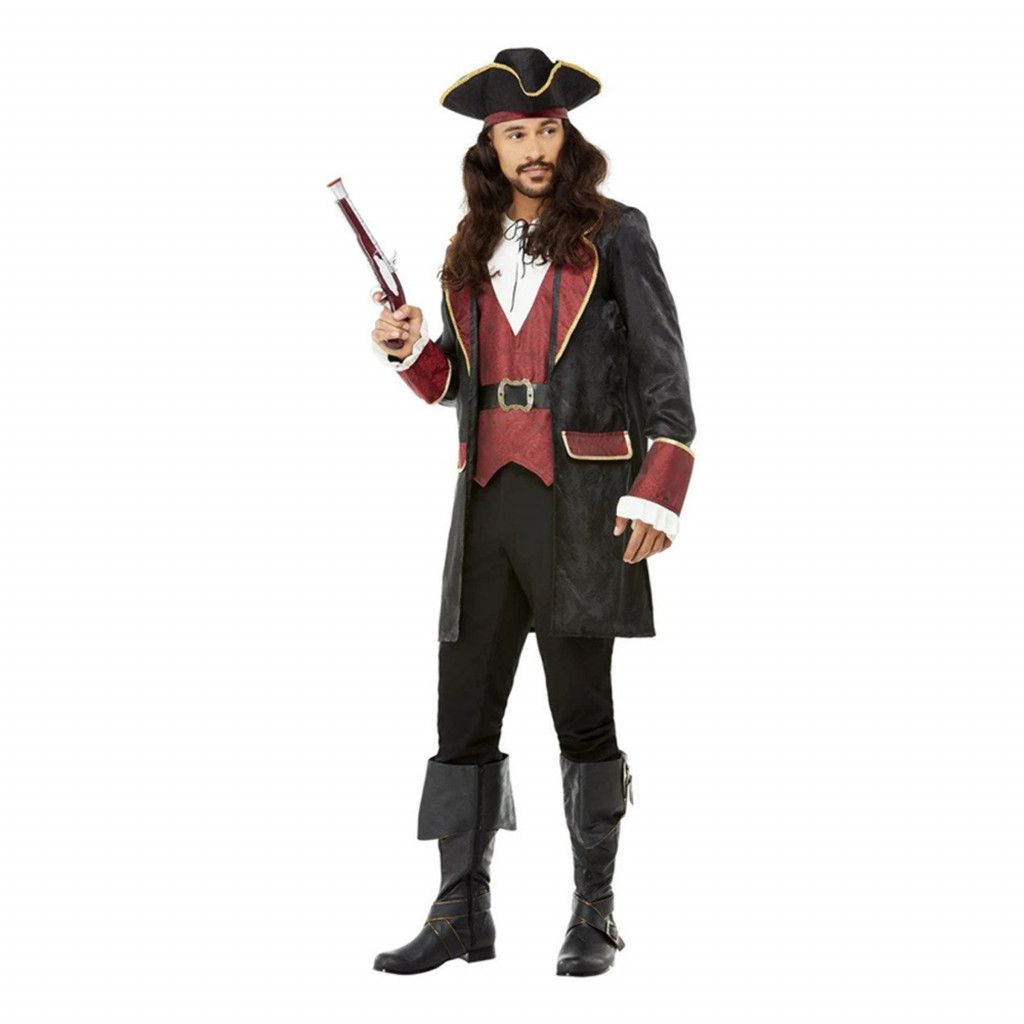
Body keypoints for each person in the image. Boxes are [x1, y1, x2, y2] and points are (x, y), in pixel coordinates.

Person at [367, 48, 696, 976]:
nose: (536, 149)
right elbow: (460, 387)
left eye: (548, 130)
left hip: (582, 504)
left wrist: (659, 489)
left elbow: (665, 373)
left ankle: (595, 912)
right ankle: (459, 914)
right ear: (491, 146)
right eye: (518, 135)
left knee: (581, 711)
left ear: (566, 136)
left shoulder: (617, 234)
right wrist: (410, 351)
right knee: (462, 712)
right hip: (485, 505)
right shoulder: (466, 248)